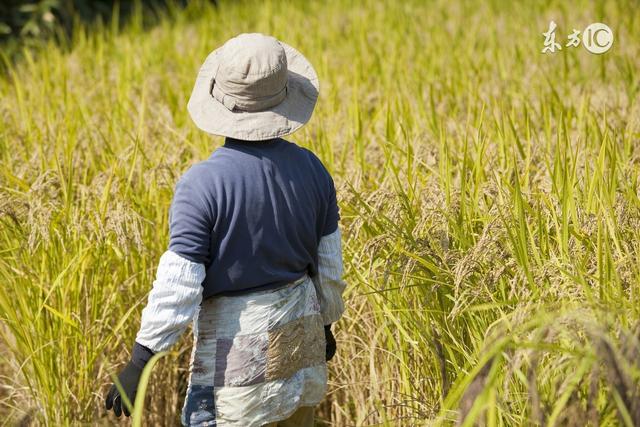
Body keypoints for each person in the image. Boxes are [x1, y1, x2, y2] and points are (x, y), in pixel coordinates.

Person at [104, 32, 347, 427]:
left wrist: (140, 360)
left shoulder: (203, 185)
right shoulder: (314, 171)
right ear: (284, 98)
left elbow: (178, 286)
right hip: (303, 352)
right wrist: (325, 325)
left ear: (220, 100)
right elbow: (330, 269)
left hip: (235, 372)